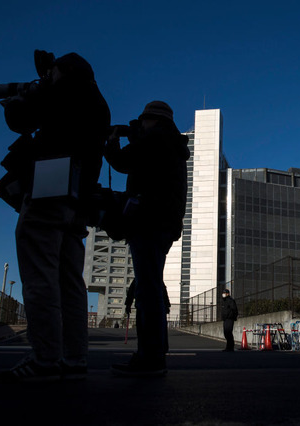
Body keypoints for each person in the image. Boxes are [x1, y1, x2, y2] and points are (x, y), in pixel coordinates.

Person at [0, 52, 111, 383]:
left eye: (55, 71)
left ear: (64, 72)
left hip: (48, 188)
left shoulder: (61, 90)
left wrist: (23, 96)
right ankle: (74, 357)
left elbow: (21, 119)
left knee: (40, 275)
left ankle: (44, 357)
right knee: (70, 281)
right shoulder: (98, 103)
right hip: (78, 198)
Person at [106, 100, 189, 376]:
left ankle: (150, 357)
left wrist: (113, 142)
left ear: (151, 119)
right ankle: (155, 353)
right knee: (151, 285)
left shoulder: (156, 139)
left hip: (149, 220)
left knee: (147, 289)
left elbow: (121, 162)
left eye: (142, 120)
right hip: (164, 223)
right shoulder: (171, 144)